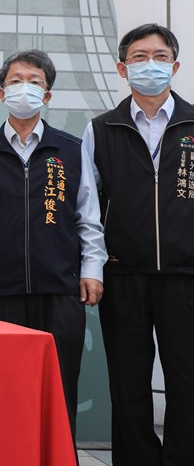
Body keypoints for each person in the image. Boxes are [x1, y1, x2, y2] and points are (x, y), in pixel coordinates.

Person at [0, 49, 106, 448]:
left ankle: (58, 455)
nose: (26, 88)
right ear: (2, 94)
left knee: (60, 386)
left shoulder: (71, 151)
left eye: (35, 81)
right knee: (1, 387)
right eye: (16, 81)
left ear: (48, 95)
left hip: (60, 288)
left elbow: (87, 217)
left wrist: (93, 268)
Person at [82, 23, 194, 465]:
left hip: (186, 276)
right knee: (127, 382)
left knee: (187, 380)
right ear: (122, 68)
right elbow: (88, 209)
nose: (151, 65)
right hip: (123, 273)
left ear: (176, 65)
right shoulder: (101, 129)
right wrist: (93, 268)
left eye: (160, 56)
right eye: (140, 57)